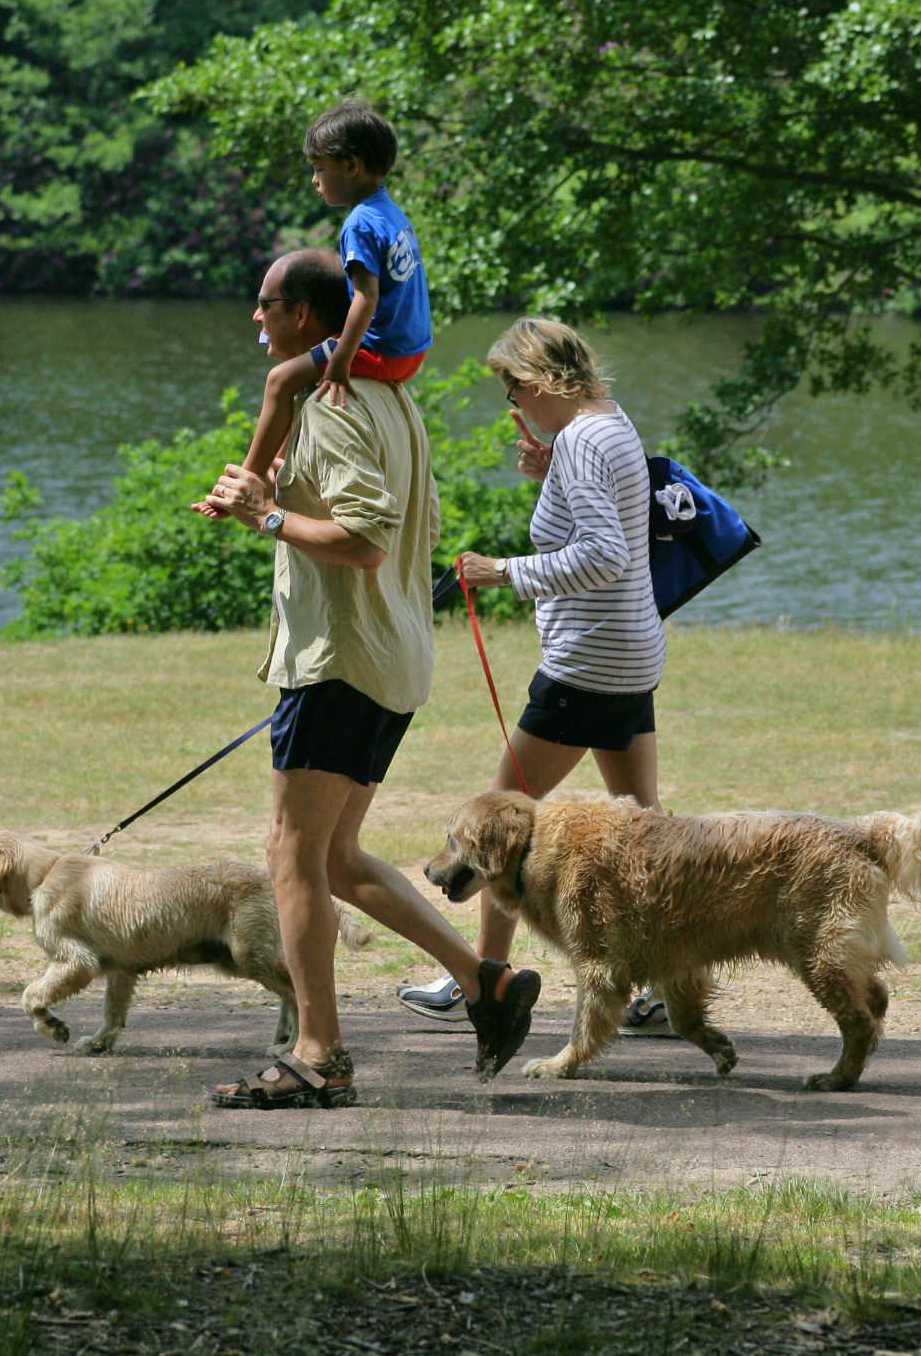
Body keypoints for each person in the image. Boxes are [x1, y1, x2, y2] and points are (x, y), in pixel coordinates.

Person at [197, 248, 538, 1108]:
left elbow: (364, 538)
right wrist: (280, 488)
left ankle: (319, 1055)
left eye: (266, 302)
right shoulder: (390, 397)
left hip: (344, 662)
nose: (257, 317)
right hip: (385, 659)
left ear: (307, 316)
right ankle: (484, 983)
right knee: (335, 857)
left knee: (292, 853)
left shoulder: (334, 401)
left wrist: (267, 513)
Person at [397, 317, 672, 1036]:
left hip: (586, 662)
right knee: (644, 836)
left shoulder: (581, 438)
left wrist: (503, 571)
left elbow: (603, 553)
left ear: (545, 379)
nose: (512, 405)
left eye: (512, 388)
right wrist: (553, 473)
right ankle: (663, 982)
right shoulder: (610, 424)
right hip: (630, 653)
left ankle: (484, 977)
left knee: (496, 823)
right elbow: (607, 518)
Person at [230, 100, 430, 491]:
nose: (314, 180)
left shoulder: (359, 223)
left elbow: (366, 299)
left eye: (320, 169)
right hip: (412, 352)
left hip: (381, 350)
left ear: (351, 166)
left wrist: (340, 362)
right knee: (301, 378)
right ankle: (285, 456)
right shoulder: (390, 212)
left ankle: (248, 478)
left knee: (279, 379)